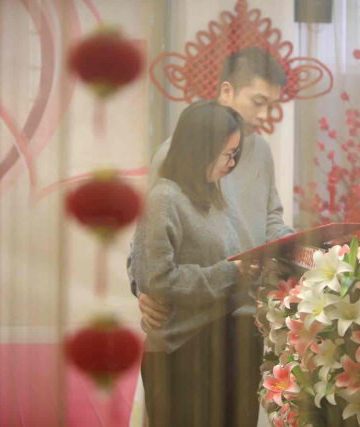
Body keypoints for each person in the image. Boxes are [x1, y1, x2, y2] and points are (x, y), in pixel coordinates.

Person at [128, 47, 295, 426]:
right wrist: (144, 289)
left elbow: (272, 220)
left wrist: (301, 247)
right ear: (226, 91)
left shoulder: (261, 152)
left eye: (272, 106)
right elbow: (144, 245)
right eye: (258, 102)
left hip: (248, 319)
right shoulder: (174, 155)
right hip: (190, 330)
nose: (265, 115)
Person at [131, 101, 262, 426]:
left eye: (235, 154)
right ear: (200, 150)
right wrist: (232, 272)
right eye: (227, 154)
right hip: (182, 354)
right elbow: (155, 278)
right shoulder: (164, 199)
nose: (232, 163)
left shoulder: (212, 195)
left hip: (224, 343)